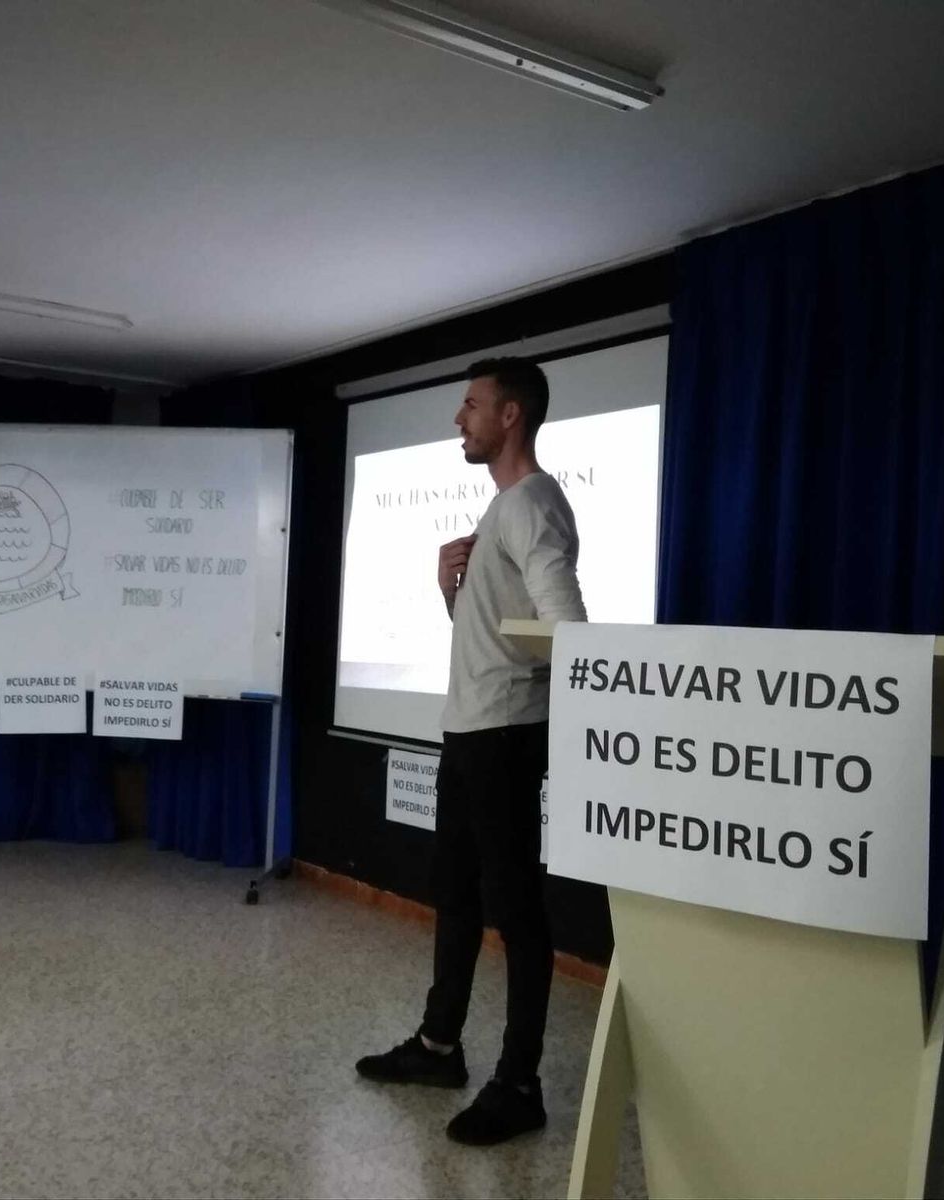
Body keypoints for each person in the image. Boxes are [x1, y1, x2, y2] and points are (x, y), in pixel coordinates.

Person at [356, 356, 587, 1145]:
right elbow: (497, 635)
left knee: (516, 910)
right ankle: (438, 1046)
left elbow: (567, 634)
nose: (460, 420)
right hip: (473, 728)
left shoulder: (530, 506)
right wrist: (450, 588)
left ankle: (520, 1084)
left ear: (511, 416)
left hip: (506, 737)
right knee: (455, 895)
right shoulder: (503, 511)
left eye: (471, 406)